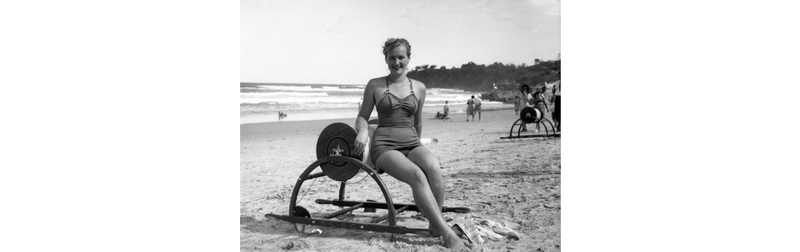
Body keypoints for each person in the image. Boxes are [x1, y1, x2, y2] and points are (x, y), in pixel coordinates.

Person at [351, 38, 468, 250]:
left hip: (412, 142)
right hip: (385, 146)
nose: (397, 62)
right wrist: (361, 131)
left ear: (408, 59)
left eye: (401, 57)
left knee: (433, 167)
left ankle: (435, 224)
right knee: (417, 175)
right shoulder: (375, 85)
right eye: (392, 57)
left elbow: (418, 121)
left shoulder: (419, 88)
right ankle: (447, 234)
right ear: (386, 59)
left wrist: (419, 149)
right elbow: (363, 117)